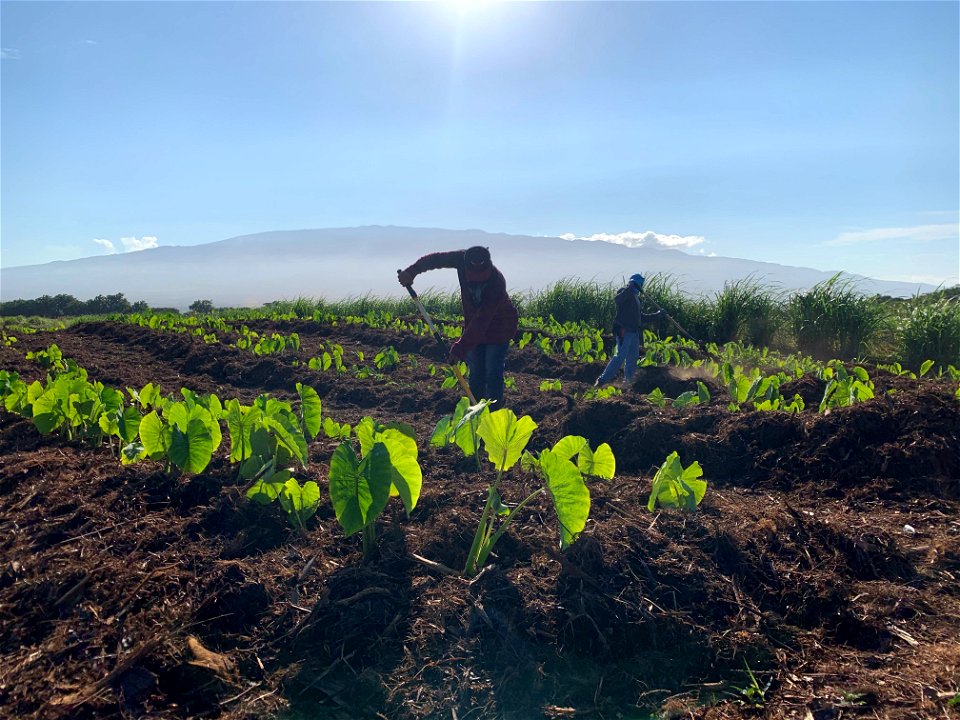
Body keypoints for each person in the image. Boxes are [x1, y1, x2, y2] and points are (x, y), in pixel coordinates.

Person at [398, 246, 519, 406]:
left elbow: (482, 320)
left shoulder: (496, 282)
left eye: (482, 276)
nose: (478, 280)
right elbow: (434, 260)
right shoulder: (459, 259)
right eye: (474, 276)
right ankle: (476, 409)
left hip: (500, 327)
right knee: (476, 371)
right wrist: (411, 271)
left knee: (492, 370)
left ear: (489, 266)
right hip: (474, 326)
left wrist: (460, 348)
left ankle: (494, 412)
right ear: (466, 266)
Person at [595, 273, 661, 387]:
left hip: (634, 332)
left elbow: (641, 317)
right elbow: (618, 300)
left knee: (632, 358)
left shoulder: (636, 298)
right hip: (624, 331)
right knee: (620, 356)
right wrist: (630, 287)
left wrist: (657, 315)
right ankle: (602, 380)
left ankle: (627, 382)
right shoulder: (625, 292)